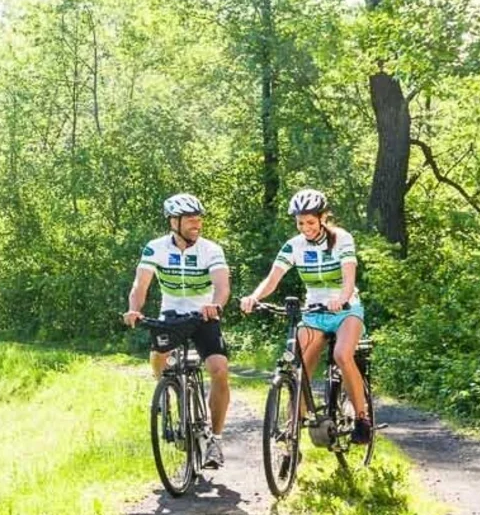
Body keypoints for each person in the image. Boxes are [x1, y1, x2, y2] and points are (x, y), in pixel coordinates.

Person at [236, 189, 373, 444]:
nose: (305, 228)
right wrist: (254, 297)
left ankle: (362, 418)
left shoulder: (341, 239)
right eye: (300, 223)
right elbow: (273, 278)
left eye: (310, 222)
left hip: (345, 310)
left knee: (342, 355)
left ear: (323, 218)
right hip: (313, 312)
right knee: (300, 369)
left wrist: (341, 299)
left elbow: (348, 278)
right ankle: (292, 431)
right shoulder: (294, 246)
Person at [124, 193, 232, 469]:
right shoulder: (156, 248)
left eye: (199, 219)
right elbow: (140, 285)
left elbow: (222, 286)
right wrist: (135, 309)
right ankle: (167, 388)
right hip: (171, 315)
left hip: (203, 315)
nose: (197, 224)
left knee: (219, 369)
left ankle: (215, 441)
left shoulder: (211, 250)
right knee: (159, 353)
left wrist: (216, 305)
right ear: (174, 222)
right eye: (191, 220)